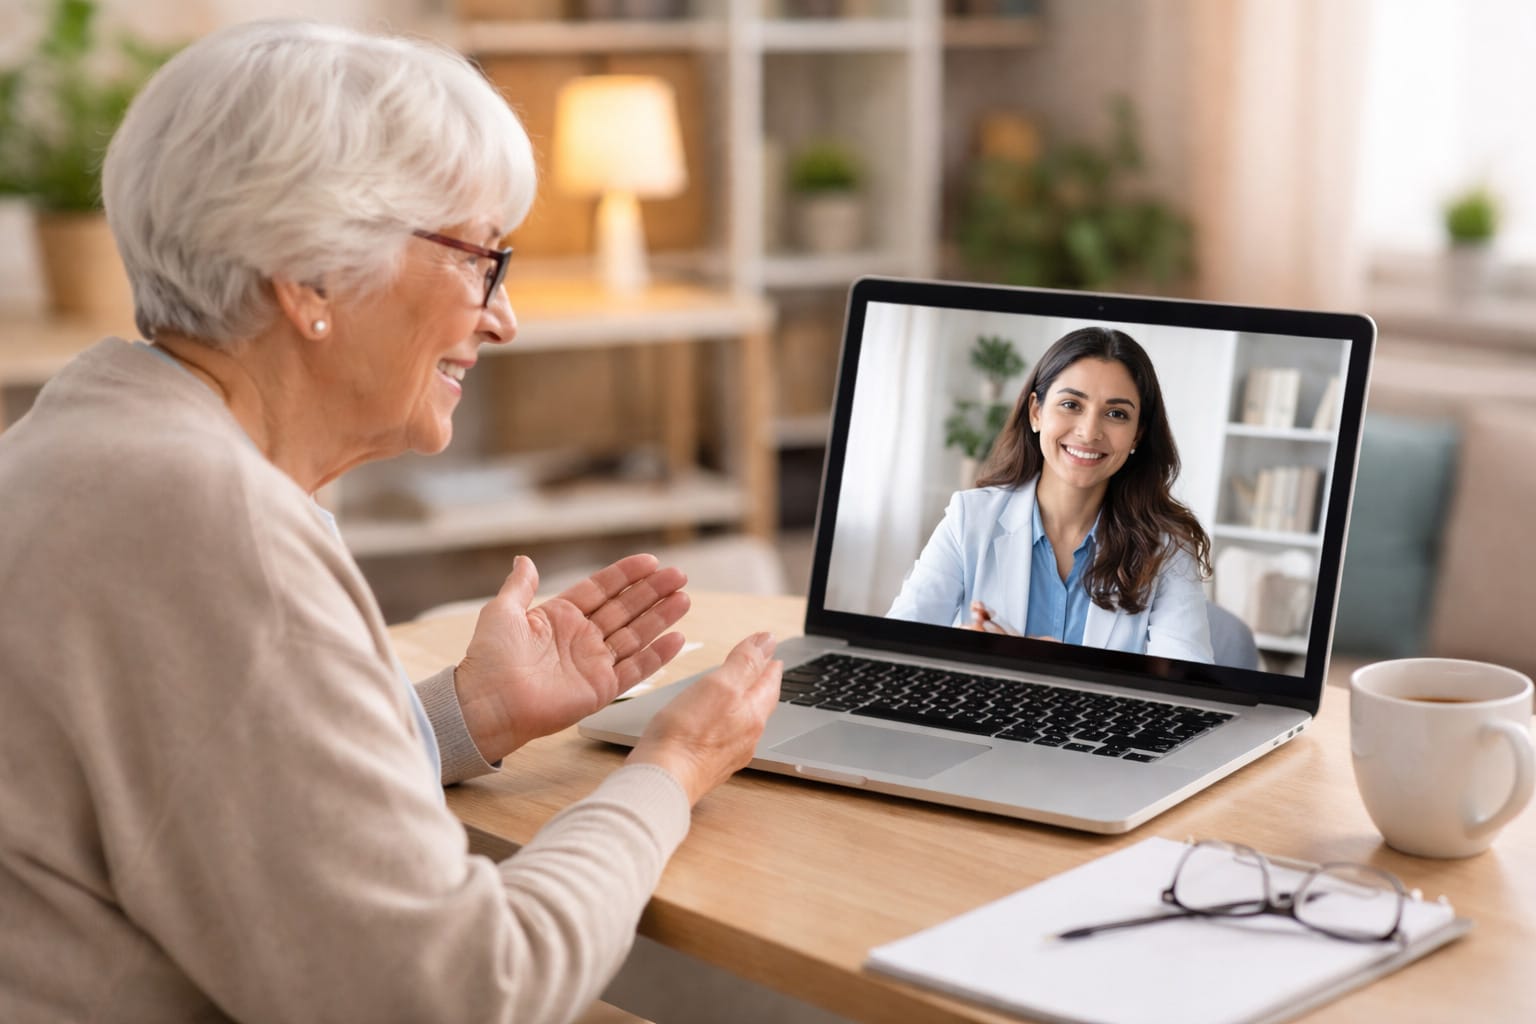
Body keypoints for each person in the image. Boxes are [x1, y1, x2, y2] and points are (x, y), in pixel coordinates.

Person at [0, 20, 782, 1024]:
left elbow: (204, 788)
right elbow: (463, 989)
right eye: (478, 260)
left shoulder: (87, 439)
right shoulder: (213, 522)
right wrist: (670, 767)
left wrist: (467, 714)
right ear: (309, 276)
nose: (504, 318)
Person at [888, 326, 1214, 663]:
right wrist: (961, 652)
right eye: (1071, 404)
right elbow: (894, 649)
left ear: (1137, 435)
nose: (1089, 432)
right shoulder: (969, 518)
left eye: (1116, 414)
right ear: (1036, 412)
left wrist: (1061, 667)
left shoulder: (1168, 545)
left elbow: (1185, 684)